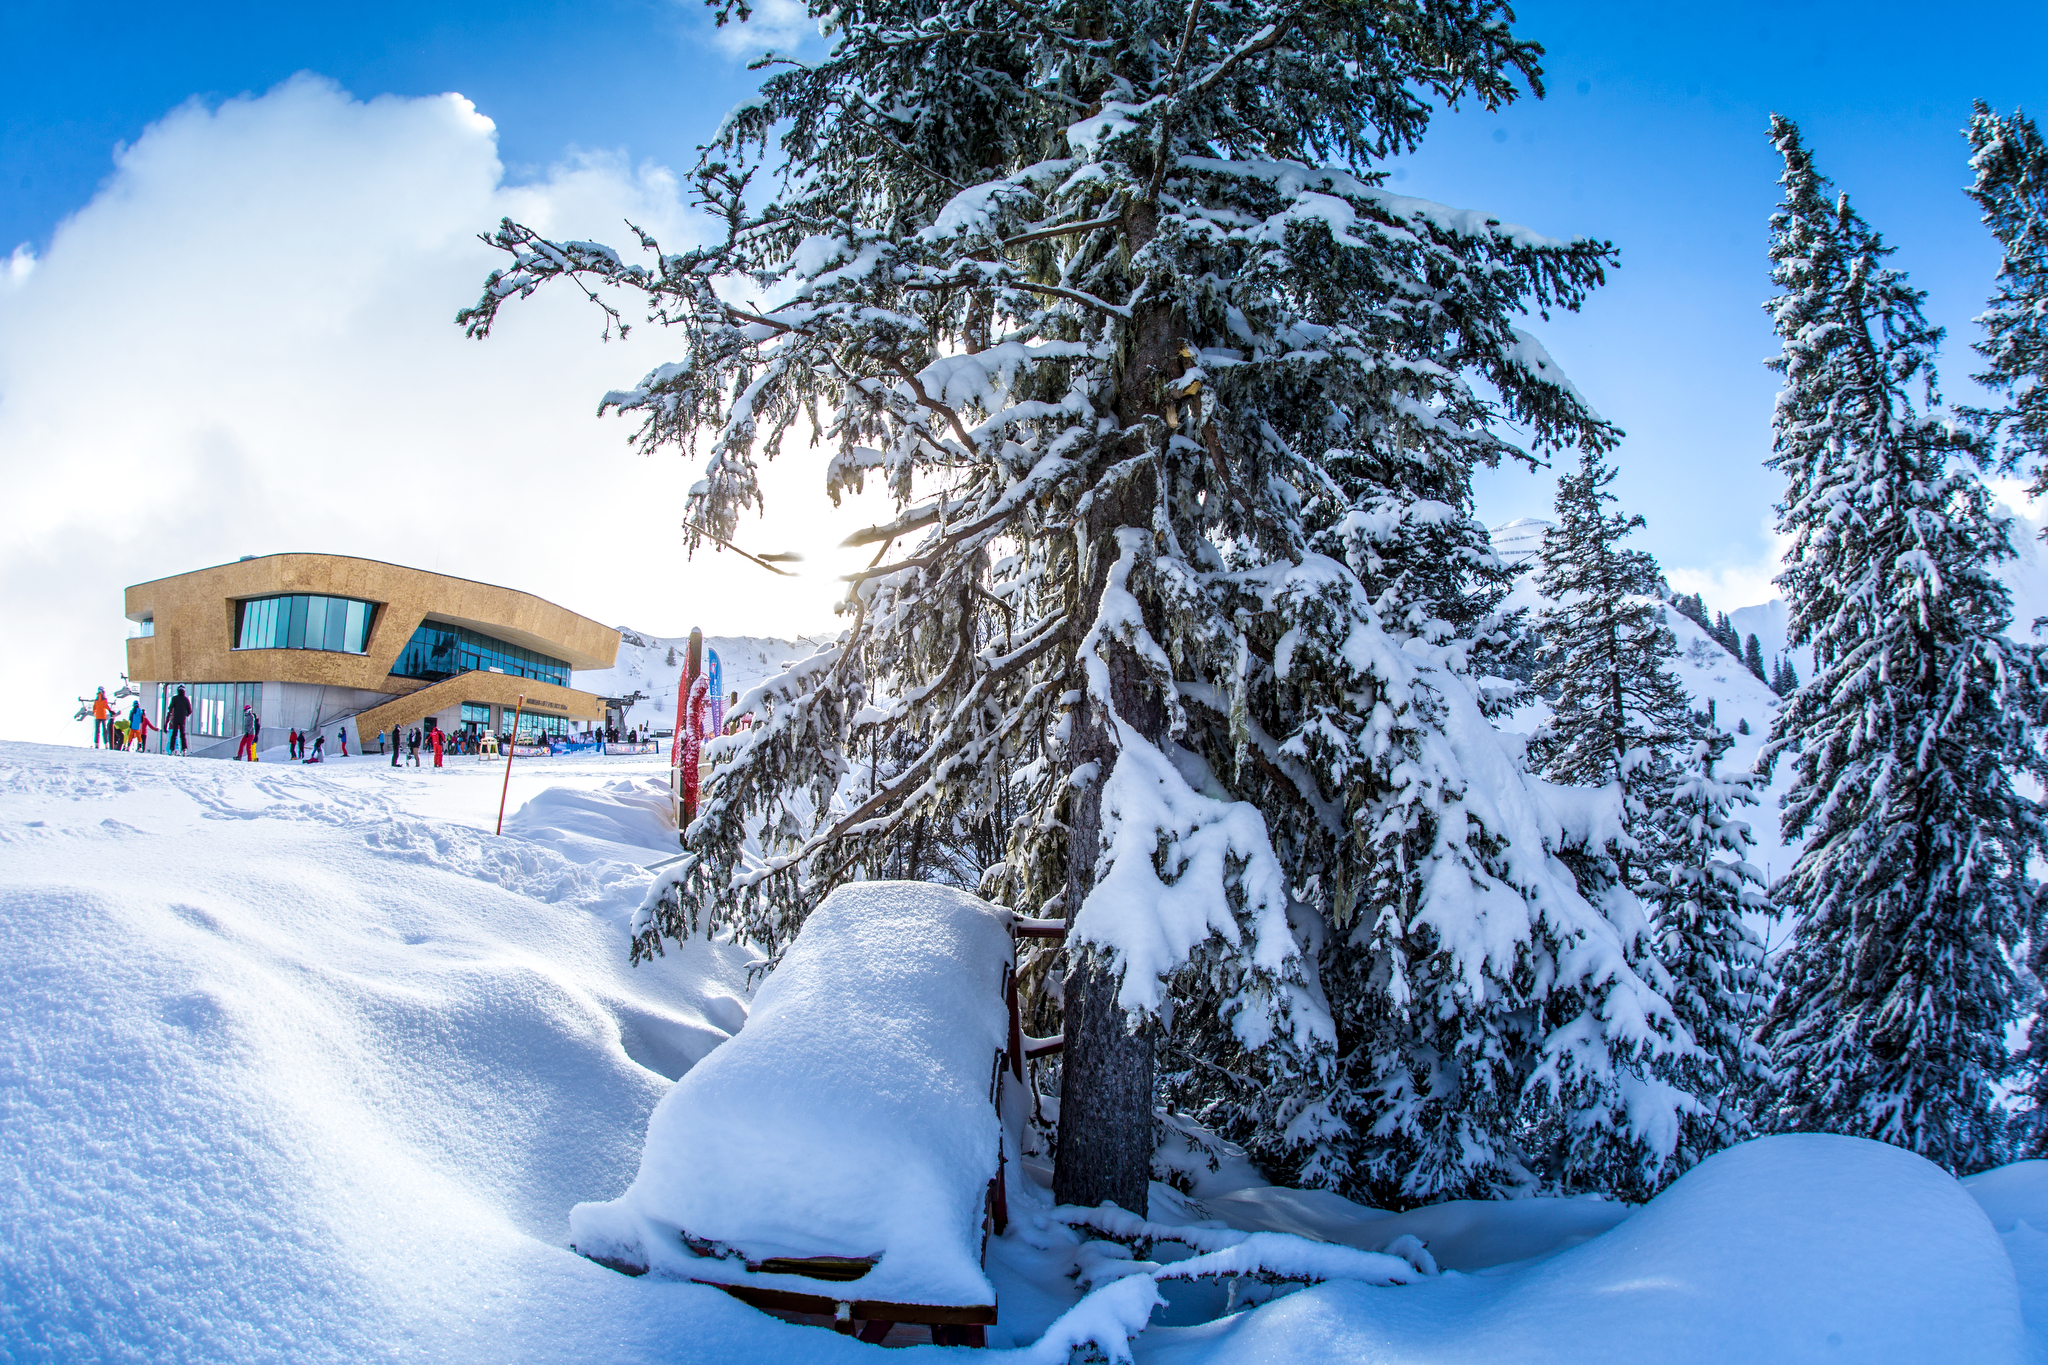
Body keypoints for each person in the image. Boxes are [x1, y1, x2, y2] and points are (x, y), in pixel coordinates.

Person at [164, 686, 191, 754]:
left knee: (174, 734)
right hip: (182, 719)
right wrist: (186, 714)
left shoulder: (175, 698)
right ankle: (184, 749)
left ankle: (172, 749)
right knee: (182, 734)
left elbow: (170, 708)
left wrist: (171, 712)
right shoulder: (186, 699)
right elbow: (190, 710)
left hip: (175, 718)